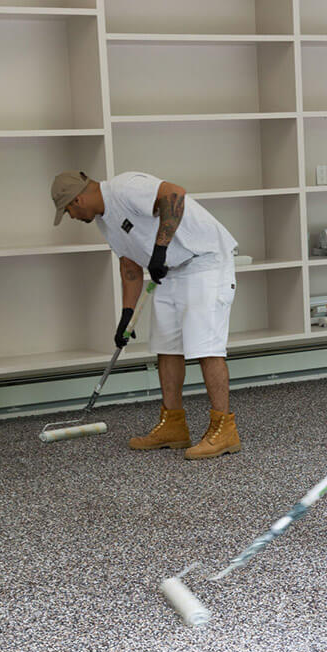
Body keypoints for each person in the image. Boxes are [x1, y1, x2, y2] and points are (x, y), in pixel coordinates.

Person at [50, 170, 242, 459]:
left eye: (69, 211)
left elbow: (174, 194)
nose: (72, 217)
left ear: (78, 199)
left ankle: (225, 429)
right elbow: (129, 266)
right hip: (171, 269)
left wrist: (160, 250)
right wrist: (126, 315)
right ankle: (174, 426)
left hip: (205, 260)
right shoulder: (105, 221)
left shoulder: (125, 188)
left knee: (205, 347)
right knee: (166, 347)